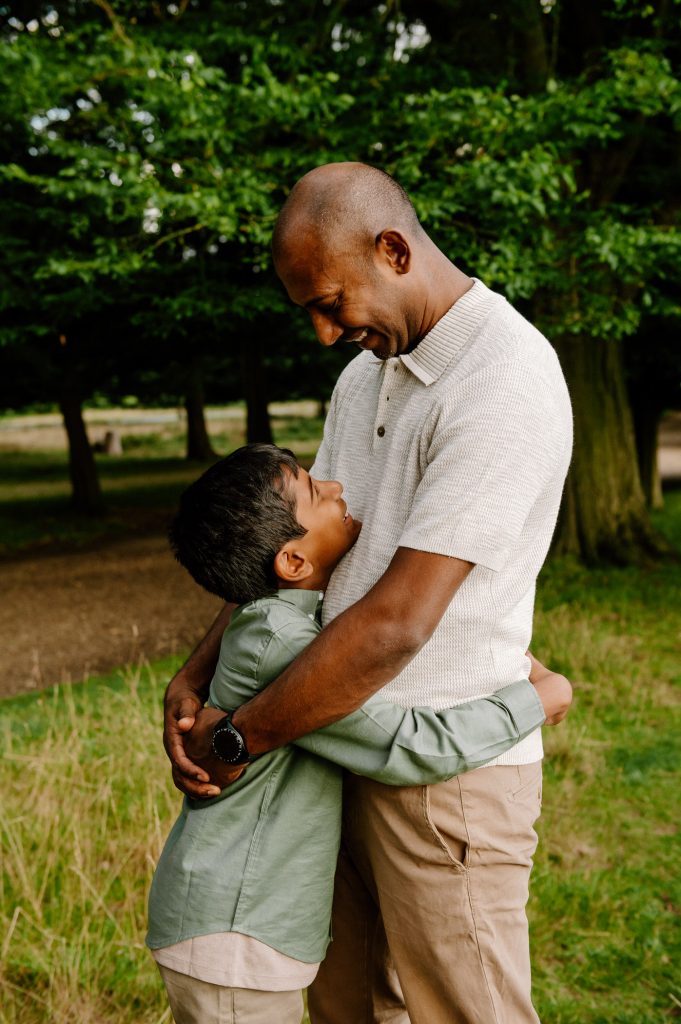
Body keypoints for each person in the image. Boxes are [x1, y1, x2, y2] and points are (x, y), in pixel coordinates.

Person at [163, 162, 574, 1023]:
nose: (321, 333)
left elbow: (395, 624)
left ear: (392, 250)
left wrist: (236, 739)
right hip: (324, 745)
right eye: (307, 310)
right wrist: (199, 676)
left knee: (467, 1013)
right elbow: (292, 550)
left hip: (443, 775)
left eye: (329, 303)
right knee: (352, 1008)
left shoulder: (501, 381)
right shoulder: (368, 372)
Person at [149, 443, 570, 1024]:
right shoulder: (283, 648)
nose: (338, 489)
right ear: (292, 563)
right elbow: (409, 746)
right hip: (233, 934)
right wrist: (533, 701)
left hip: (231, 927)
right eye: (315, 492)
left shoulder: (276, 621)